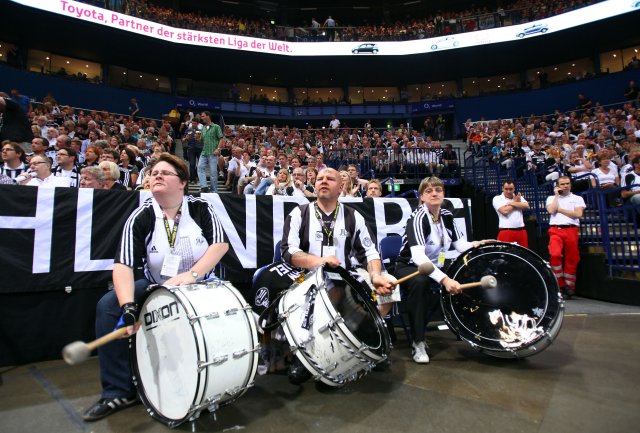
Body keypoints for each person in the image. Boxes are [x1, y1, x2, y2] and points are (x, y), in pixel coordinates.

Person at [82, 154, 229, 421]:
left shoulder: (201, 208)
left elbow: (220, 245)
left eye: (165, 172)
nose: (156, 176)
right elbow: (123, 264)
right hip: (157, 285)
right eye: (153, 173)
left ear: (182, 182)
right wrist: (128, 307)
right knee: (108, 306)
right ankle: (118, 391)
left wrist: (192, 275)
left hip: (201, 285)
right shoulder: (141, 215)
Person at [280, 167, 396, 383]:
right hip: (308, 275)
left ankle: (369, 340)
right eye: (320, 178)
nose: (323, 181)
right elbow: (289, 251)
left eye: (329, 179)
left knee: (389, 288)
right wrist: (319, 261)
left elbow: (370, 252)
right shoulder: (299, 213)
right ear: (315, 185)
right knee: (314, 295)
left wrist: (376, 276)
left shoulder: (353, 216)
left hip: (345, 274)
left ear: (341, 186)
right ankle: (304, 355)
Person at [394, 177, 492, 364]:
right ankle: (418, 341)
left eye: (438, 190)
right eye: (429, 191)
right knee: (420, 282)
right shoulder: (418, 218)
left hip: (435, 265)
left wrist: (477, 243)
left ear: (443, 194)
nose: (434, 193)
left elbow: (459, 244)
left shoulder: (446, 215)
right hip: (409, 266)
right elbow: (419, 258)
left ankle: (474, 328)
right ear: (422, 197)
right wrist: (445, 280)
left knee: (466, 273)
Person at [546, 176, 586, 299]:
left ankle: (569, 288)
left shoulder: (577, 198)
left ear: (571, 184)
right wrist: (556, 196)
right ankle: (561, 285)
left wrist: (560, 209)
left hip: (571, 229)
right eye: (562, 184)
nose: (565, 186)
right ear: (558, 186)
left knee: (572, 258)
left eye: (567, 183)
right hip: (555, 229)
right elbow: (551, 210)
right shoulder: (551, 198)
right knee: (555, 254)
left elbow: (578, 214)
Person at [492, 179, 529, 247]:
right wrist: (516, 202)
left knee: (523, 253)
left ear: (514, 189)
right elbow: (504, 211)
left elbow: (526, 206)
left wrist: (511, 203)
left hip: (521, 231)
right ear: (502, 188)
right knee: (505, 253)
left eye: (511, 189)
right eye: (506, 189)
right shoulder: (497, 198)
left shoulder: (518, 197)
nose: (508, 191)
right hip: (506, 231)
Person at [197, 111, 224, 193]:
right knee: (200, 168)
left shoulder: (216, 127)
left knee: (213, 173)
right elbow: (202, 141)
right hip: (204, 152)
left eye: (203, 116)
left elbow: (221, 139)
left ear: (208, 116)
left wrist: (218, 149)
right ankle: (204, 187)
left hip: (213, 153)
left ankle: (214, 191)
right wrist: (198, 139)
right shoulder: (203, 128)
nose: (201, 118)